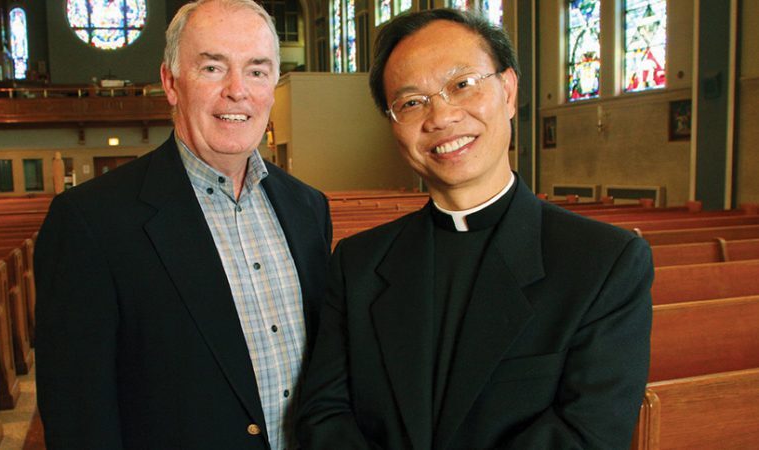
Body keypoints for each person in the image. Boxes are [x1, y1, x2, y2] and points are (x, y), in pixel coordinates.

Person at [297, 8, 652, 449]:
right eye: (411, 102)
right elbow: (324, 413)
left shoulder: (603, 262)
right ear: (393, 126)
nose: (441, 117)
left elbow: (587, 432)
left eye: (462, 85)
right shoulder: (359, 264)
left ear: (508, 90)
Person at [34, 1, 331, 448]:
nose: (238, 91)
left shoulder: (308, 208)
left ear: (273, 83)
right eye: (213, 68)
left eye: (257, 70)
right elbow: (79, 418)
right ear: (171, 83)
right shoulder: (89, 222)